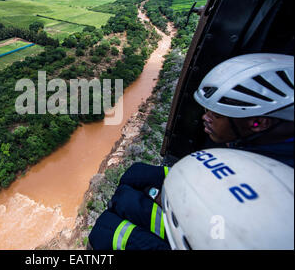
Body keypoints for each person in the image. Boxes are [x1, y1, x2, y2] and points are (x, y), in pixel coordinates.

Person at [88, 53, 294, 250]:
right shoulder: (260, 144)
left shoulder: (280, 177)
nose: (206, 118)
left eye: (217, 115)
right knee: (136, 177)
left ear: (258, 123)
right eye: (207, 111)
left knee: (107, 230)